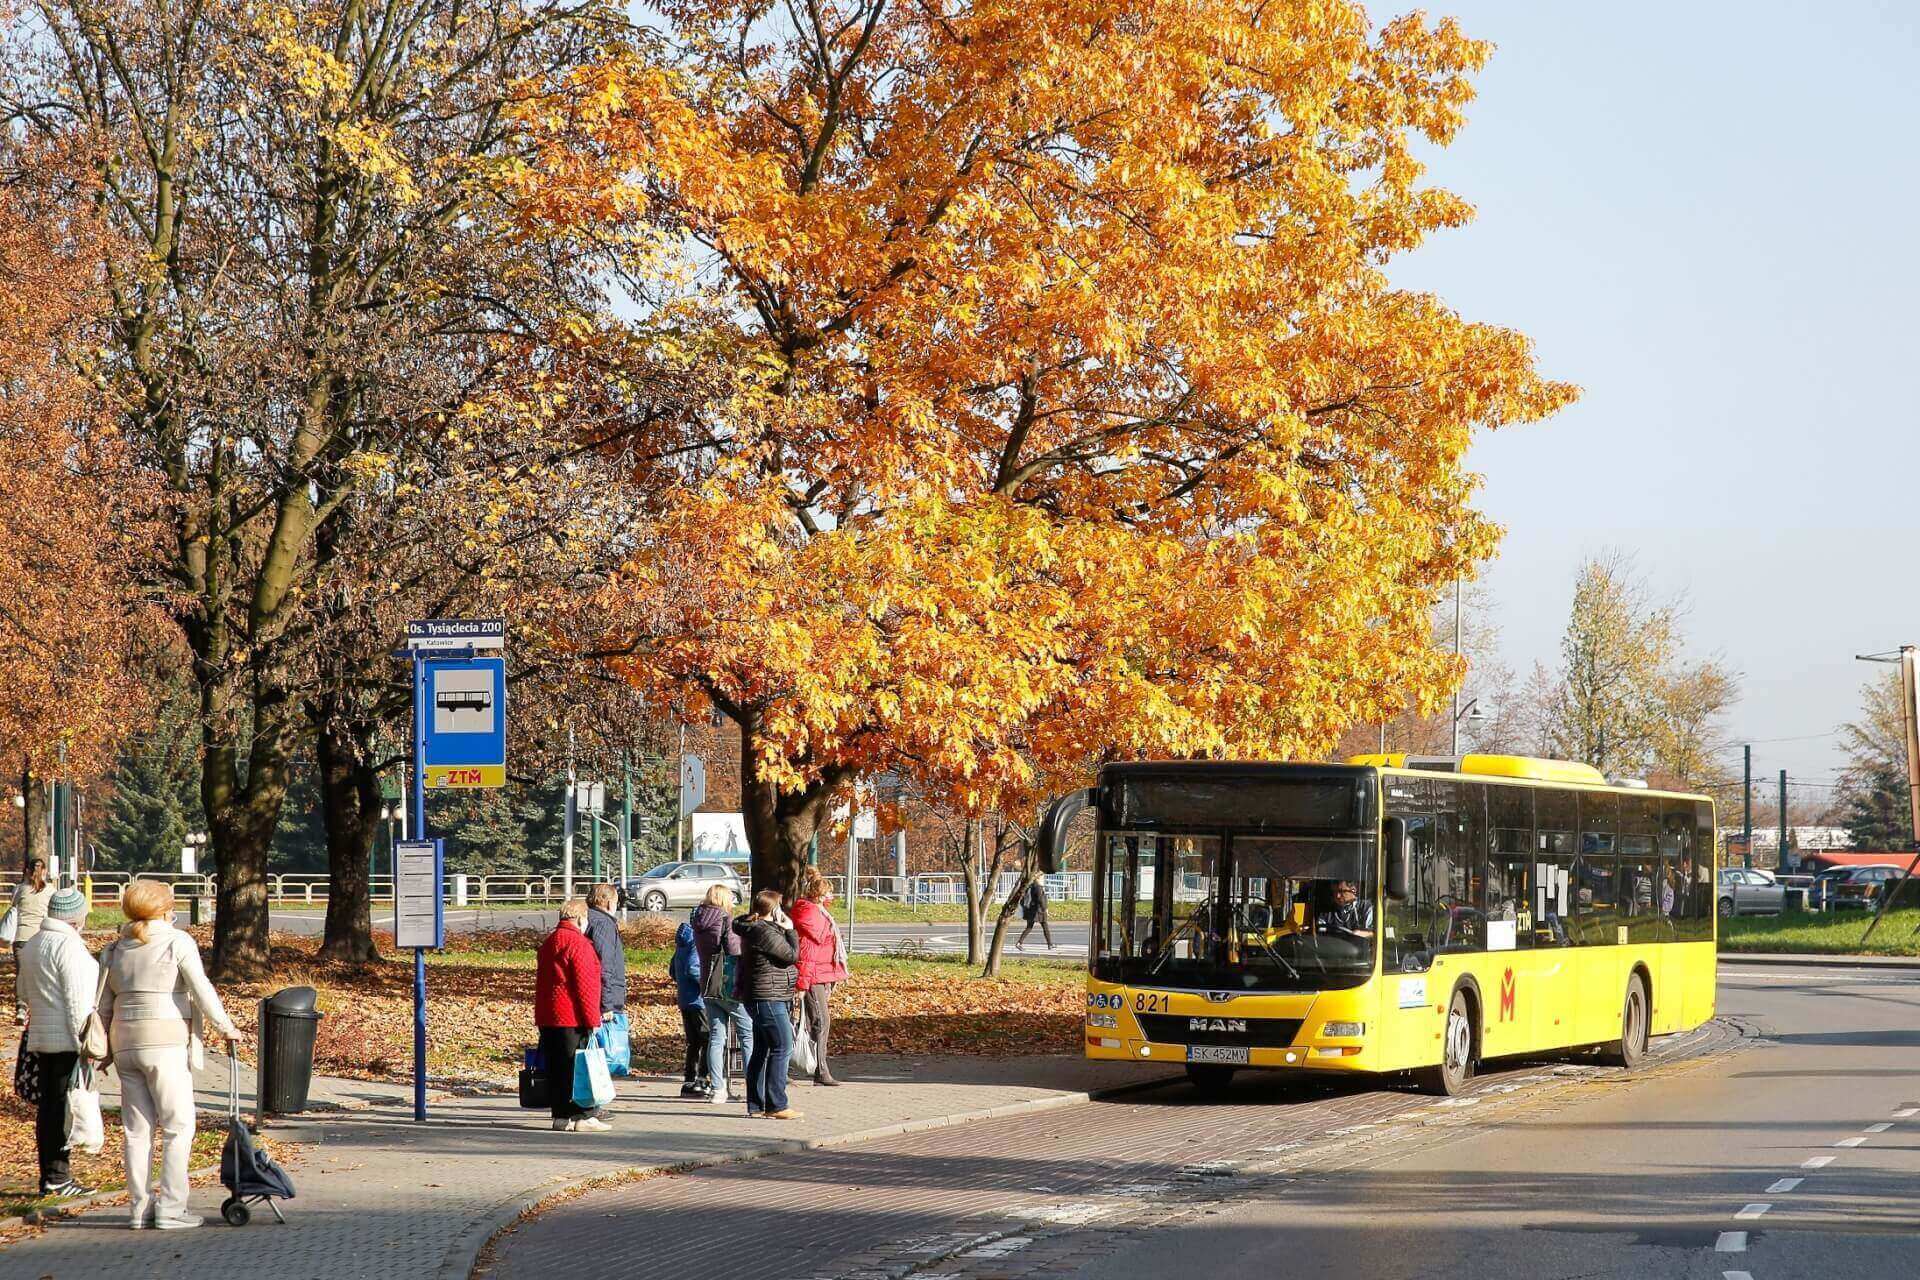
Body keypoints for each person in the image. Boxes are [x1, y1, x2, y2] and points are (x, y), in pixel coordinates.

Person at [98, 880, 240, 1230]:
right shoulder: (177, 942)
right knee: (178, 1125)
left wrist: (101, 1049)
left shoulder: (115, 948)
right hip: (165, 1040)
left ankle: (139, 1209)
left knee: (136, 1130)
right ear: (164, 908)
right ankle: (172, 1207)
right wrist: (226, 1026)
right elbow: (200, 988)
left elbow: (102, 1003)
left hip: (124, 1043)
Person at [19, 887, 97, 1198]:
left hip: (40, 1037)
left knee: (48, 1108)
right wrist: (86, 1045)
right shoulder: (69, 947)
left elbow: (23, 992)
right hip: (67, 1039)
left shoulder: (34, 944)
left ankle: (48, 1174)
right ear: (77, 917)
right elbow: (78, 1002)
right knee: (63, 1110)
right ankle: (58, 1176)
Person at [534, 899, 607, 1133]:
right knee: (578, 1067)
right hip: (572, 1017)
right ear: (579, 918)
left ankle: (560, 1116)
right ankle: (583, 1116)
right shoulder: (579, 944)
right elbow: (585, 987)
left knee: (557, 1067)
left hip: (548, 1015)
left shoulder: (549, 943)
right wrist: (592, 1020)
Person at [733, 888, 801, 1120]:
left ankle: (757, 1105)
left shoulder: (756, 928)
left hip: (765, 996)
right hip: (768, 997)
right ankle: (777, 1104)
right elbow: (791, 955)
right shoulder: (763, 931)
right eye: (779, 906)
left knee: (762, 1049)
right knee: (782, 1046)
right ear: (773, 909)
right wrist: (790, 930)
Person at [691, 883, 750, 1104]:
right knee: (747, 1033)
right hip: (728, 984)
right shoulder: (725, 919)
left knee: (716, 1037)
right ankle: (753, 1085)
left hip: (707, 983)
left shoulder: (697, 920)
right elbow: (734, 950)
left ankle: (718, 1088)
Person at [789, 867, 848, 1088]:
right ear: (817, 896)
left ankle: (820, 1068)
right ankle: (820, 1069)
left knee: (820, 1021)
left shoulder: (820, 914)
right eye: (827, 894)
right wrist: (803, 983)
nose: (831, 898)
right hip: (813, 976)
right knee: (820, 1021)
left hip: (820, 974)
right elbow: (807, 954)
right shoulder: (813, 917)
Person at [10, 858, 54, 1022]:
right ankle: (41, 1008)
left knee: (22, 974)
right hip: (41, 937)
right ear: (45, 871)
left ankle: (21, 1009)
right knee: (42, 973)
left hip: (21, 936)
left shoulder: (19, 890)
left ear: (27, 872)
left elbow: (13, 907)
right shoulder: (50, 891)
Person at [668, 918, 708, 1097]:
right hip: (698, 1000)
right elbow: (693, 967)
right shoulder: (695, 940)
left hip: (685, 998)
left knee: (694, 1042)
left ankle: (689, 1078)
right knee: (708, 1040)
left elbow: (673, 970)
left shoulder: (682, 940)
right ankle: (701, 1079)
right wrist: (707, 985)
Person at [1017, 877, 1054, 952]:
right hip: (1038, 911)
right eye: (1042, 877)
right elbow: (1041, 899)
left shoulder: (1030, 886)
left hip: (1030, 910)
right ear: (1038, 878)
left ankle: (1019, 943)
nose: (1043, 879)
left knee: (1029, 927)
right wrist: (1045, 909)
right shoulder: (1038, 887)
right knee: (1045, 926)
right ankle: (1050, 944)